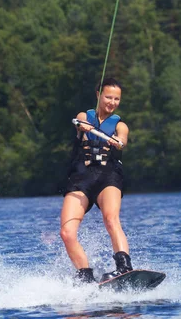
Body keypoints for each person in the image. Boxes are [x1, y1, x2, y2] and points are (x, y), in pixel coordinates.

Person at [60, 78, 133, 284]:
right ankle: (85, 277)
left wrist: (118, 142)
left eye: (117, 99)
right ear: (98, 94)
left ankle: (124, 267)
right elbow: (81, 122)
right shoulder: (85, 116)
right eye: (108, 97)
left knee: (111, 219)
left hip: (108, 177)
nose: (112, 102)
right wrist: (83, 126)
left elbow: (122, 140)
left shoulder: (120, 125)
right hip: (81, 179)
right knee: (66, 232)